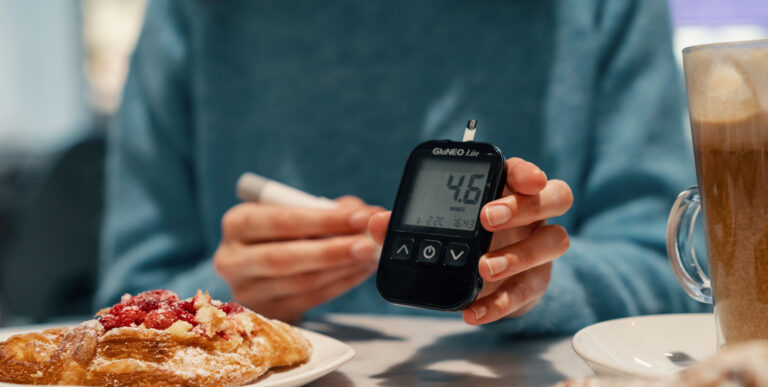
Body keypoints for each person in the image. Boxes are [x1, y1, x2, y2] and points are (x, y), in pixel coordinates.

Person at [96, 0, 706, 334]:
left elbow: (682, 276)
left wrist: (535, 282)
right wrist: (228, 298)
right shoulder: (195, 14)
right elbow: (120, 298)